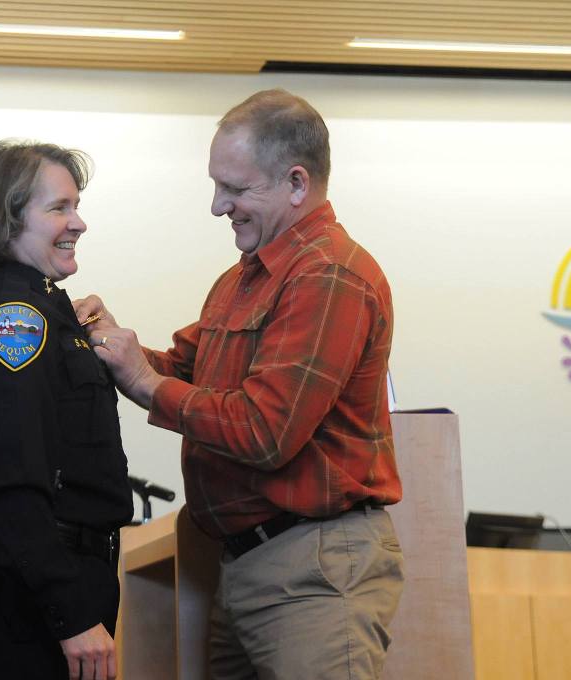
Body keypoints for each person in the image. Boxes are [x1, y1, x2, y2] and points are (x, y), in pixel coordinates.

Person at [74, 89, 405, 679]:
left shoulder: (328, 274)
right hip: (250, 564)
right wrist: (106, 342)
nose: (217, 206)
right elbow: (181, 368)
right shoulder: (245, 278)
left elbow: (265, 431)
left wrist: (145, 382)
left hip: (313, 571)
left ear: (297, 184)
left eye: (235, 188)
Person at [0, 140, 133, 680]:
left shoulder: (47, 310)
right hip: (19, 602)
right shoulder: (11, 317)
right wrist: (69, 613)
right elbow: (11, 481)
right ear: (5, 220)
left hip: (43, 586)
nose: (79, 222)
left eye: (76, 205)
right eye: (59, 207)